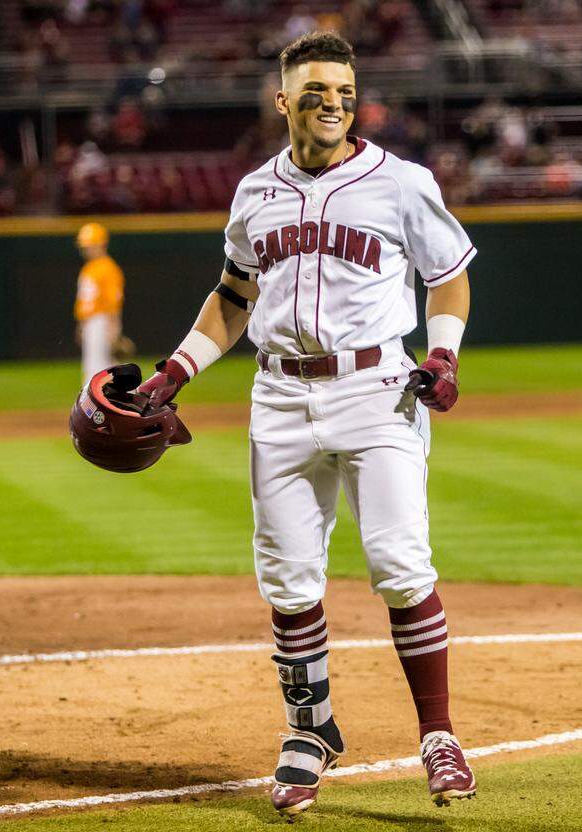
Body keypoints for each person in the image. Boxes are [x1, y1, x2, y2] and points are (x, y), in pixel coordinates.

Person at [130, 31, 477, 819]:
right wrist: (174, 372)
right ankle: (307, 730)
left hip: (378, 388)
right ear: (283, 101)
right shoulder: (255, 191)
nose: (334, 104)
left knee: (399, 564)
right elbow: (231, 296)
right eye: (317, 91)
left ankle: (439, 734)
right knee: (289, 581)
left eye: (345, 93)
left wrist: (446, 357)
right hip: (279, 397)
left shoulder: (400, 182)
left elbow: (450, 276)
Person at [73, 222, 125, 384]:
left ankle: (110, 404)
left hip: (102, 322)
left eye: (90, 245)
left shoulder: (108, 268)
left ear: (102, 244)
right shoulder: (89, 268)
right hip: (91, 323)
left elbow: (113, 301)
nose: (87, 249)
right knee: (99, 368)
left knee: (97, 371)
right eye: (85, 246)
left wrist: (113, 327)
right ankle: (123, 401)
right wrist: (82, 325)